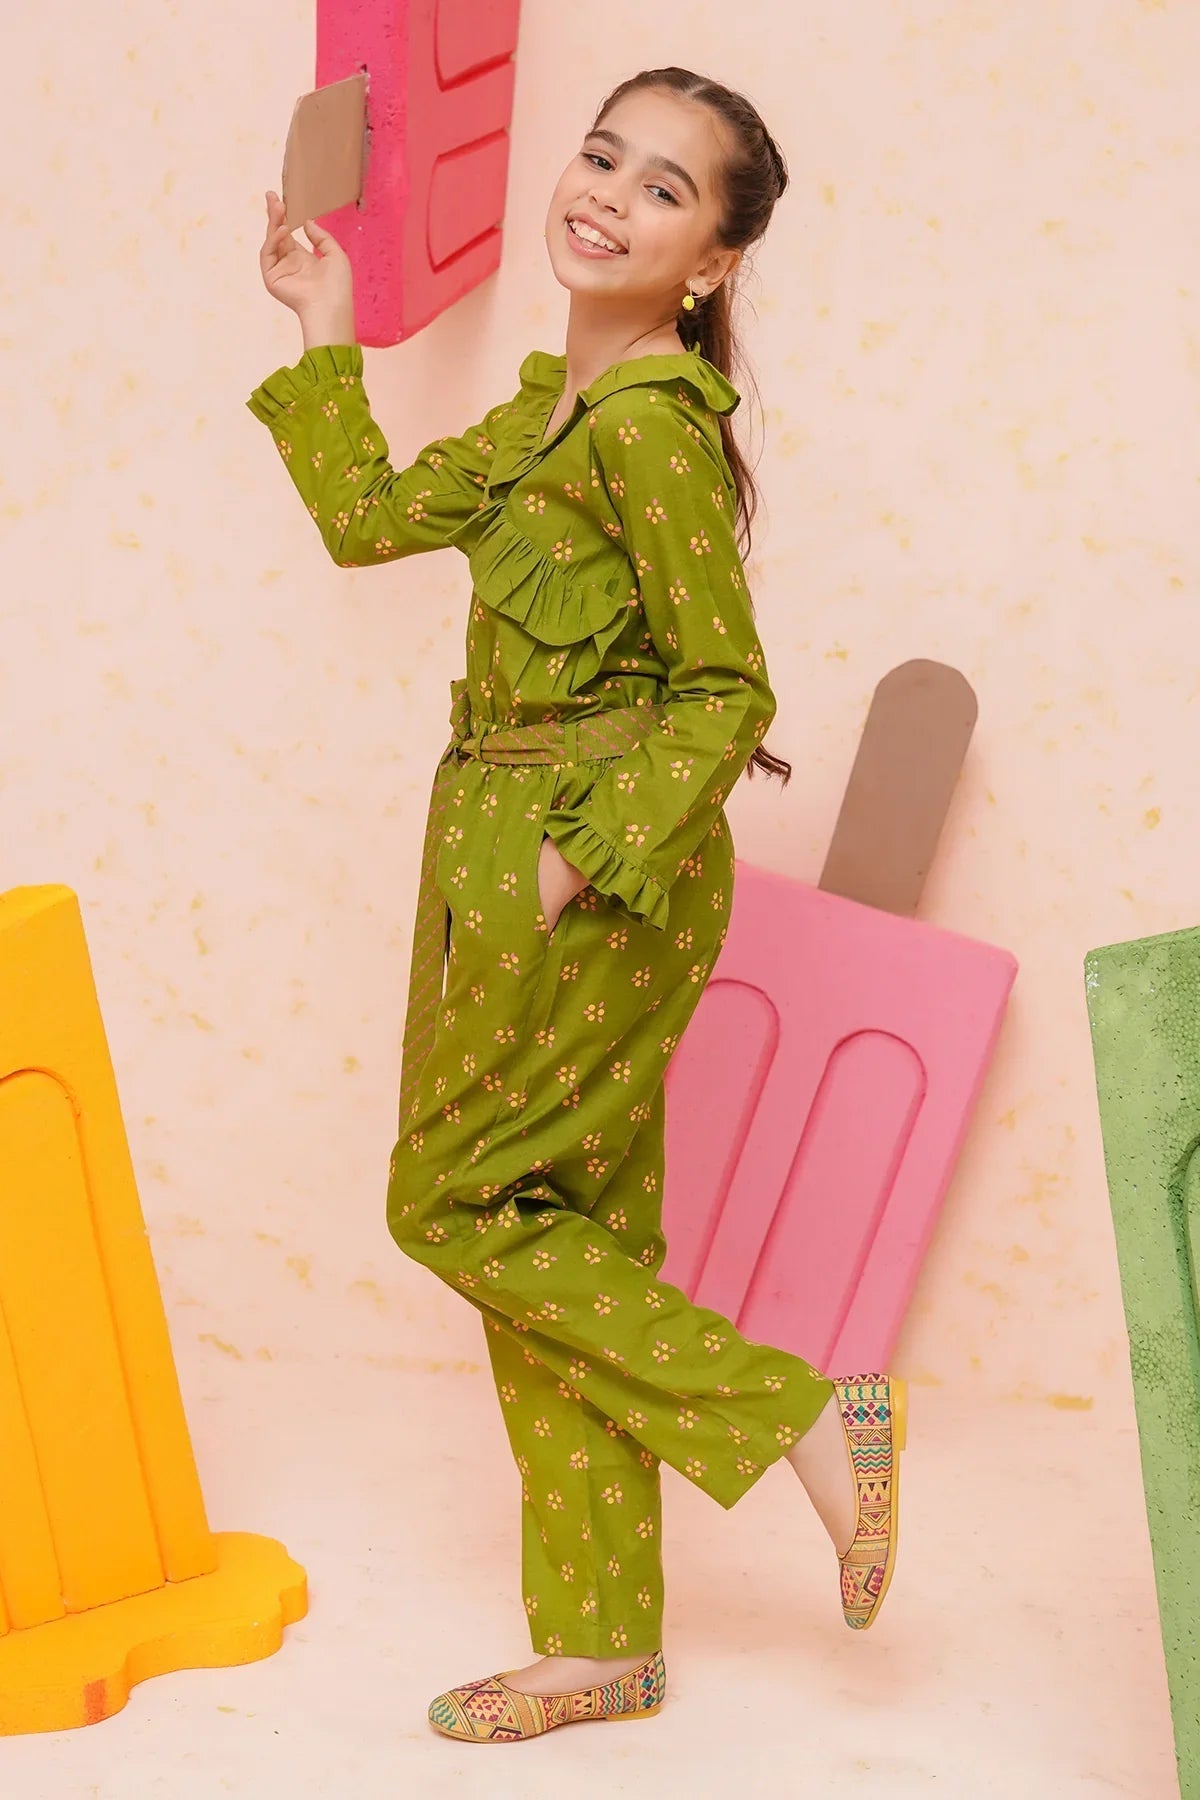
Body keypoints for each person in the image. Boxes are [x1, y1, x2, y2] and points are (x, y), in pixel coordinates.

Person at [248, 64, 906, 1745]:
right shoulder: (549, 408)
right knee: (574, 1242)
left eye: (665, 187)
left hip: (588, 860)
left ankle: (798, 1414)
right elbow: (363, 523)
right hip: (493, 831)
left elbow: (725, 689)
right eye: (605, 155)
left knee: (452, 1203)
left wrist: (574, 859)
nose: (609, 192)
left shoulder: (651, 430)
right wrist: (326, 325)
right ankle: (603, 1641)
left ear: (713, 261)